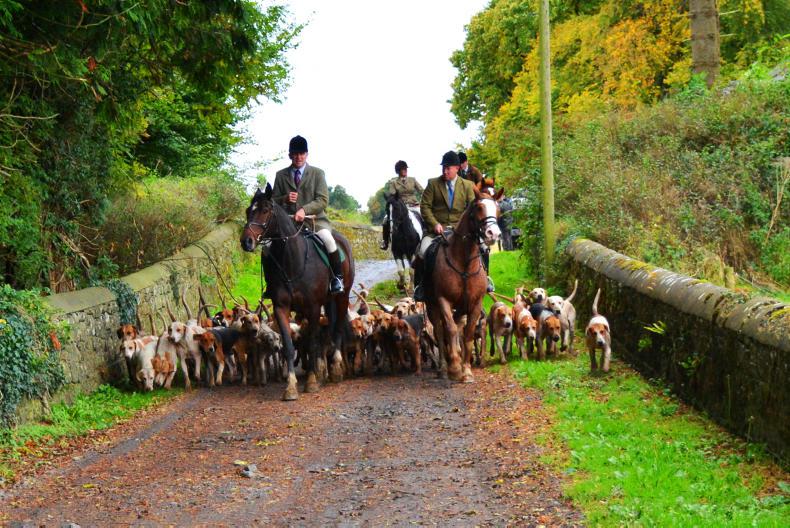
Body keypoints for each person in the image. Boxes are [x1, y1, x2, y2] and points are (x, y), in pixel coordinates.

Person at [271, 135, 344, 294]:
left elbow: (322, 200)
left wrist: (304, 210)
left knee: (329, 240)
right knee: (268, 248)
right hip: (289, 224)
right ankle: (272, 284)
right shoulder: (280, 175)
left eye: (302, 153)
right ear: (290, 155)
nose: (298, 157)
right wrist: (284, 198)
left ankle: (337, 278)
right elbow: (273, 201)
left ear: (307, 154)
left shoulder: (318, 173)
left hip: (315, 222)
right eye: (295, 154)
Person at [412, 151, 477, 301]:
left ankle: (485, 280)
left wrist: (464, 226)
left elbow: (472, 208)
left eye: (448, 168)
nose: (445, 171)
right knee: (422, 251)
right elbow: (425, 207)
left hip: (460, 231)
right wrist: (435, 224)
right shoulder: (433, 183)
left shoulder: (467, 186)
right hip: (436, 231)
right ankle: (421, 286)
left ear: (457, 168)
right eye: (443, 168)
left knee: (483, 248)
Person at [380, 160, 424, 250]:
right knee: (385, 220)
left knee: (425, 217)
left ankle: (427, 237)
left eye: (405, 169)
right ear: (398, 171)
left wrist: (423, 202)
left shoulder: (413, 180)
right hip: (400, 207)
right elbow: (392, 196)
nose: (405, 170)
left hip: (414, 205)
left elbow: (422, 191)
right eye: (402, 169)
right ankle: (385, 241)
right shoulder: (394, 182)